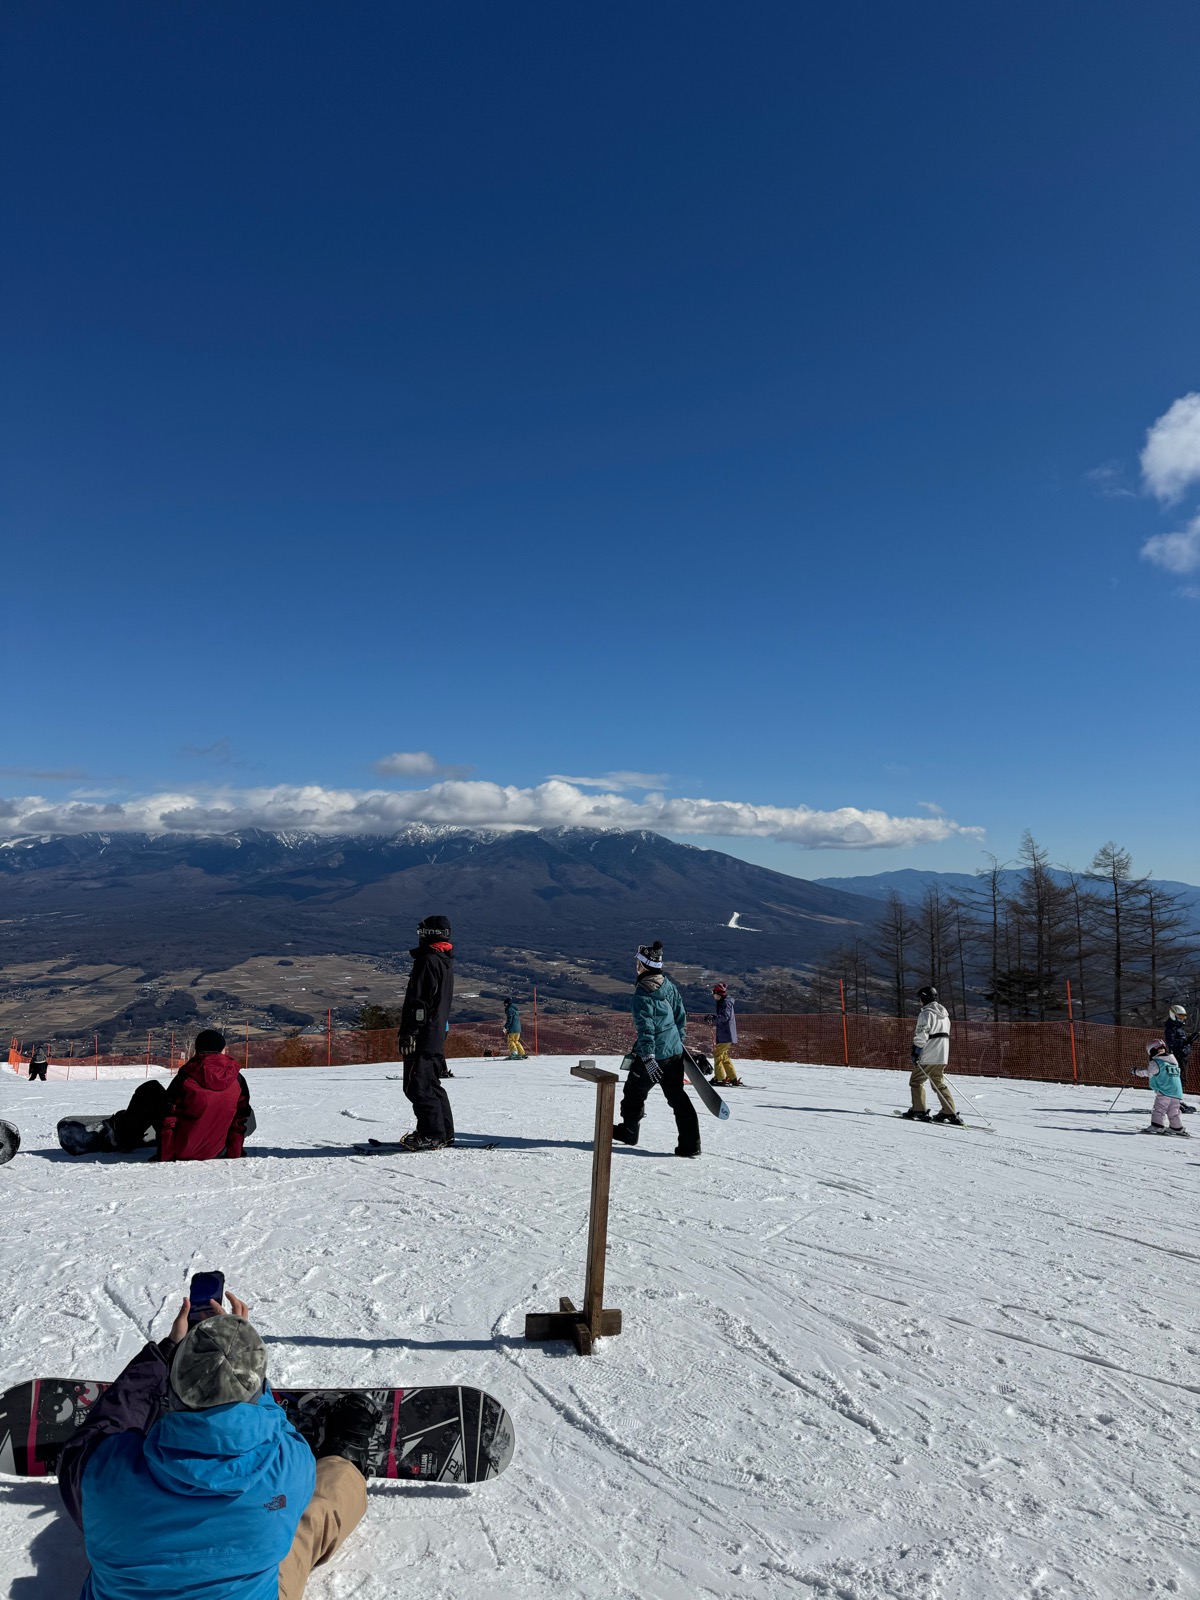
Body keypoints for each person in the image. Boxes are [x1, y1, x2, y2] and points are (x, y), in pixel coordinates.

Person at [57, 1284, 378, 1600]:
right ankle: (346, 1459)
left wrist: (166, 1354)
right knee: (313, 1515)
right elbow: (279, 1429)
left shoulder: (102, 1473)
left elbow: (102, 1428)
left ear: (171, 1389)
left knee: (114, 1528)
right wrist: (239, 1359)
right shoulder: (289, 1465)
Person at [612, 941, 701, 1158]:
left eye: (638, 962)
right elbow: (680, 1016)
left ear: (643, 965)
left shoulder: (642, 994)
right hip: (673, 1052)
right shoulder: (668, 986)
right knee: (677, 1096)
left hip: (654, 1055)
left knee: (634, 1092)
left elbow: (646, 1028)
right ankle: (691, 1144)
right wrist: (677, 1042)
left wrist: (649, 1056)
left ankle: (629, 1132)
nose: (636, 965)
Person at [110, 1028, 253, 1159]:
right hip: (217, 1150)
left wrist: (165, 1156)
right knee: (238, 1107)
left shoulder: (186, 1077)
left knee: (150, 1089)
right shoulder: (237, 1079)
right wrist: (234, 1152)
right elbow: (239, 1120)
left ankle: (124, 1139)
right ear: (222, 1050)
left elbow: (169, 1116)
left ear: (197, 1050)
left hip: (182, 1150)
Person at [396, 913, 456, 1150]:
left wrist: (410, 1031)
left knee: (417, 1085)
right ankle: (444, 1132)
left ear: (429, 934)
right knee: (431, 1083)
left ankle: (432, 1133)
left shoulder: (428, 961)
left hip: (423, 1034)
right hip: (435, 1033)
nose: (419, 936)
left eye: (421, 932)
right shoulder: (444, 960)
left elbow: (420, 1003)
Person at [902, 984, 962, 1124]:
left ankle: (918, 1109)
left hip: (929, 1054)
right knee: (938, 1083)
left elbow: (922, 1034)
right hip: (942, 1054)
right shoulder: (945, 1015)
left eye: (920, 999)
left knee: (916, 1081)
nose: (919, 1002)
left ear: (924, 998)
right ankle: (949, 1111)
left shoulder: (926, 1014)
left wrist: (916, 1050)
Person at [1133, 1039, 1189, 1136]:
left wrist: (1136, 1071)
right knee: (1173, 1110)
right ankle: (1176, 1127)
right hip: (1177, 1092)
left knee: (1160, 1108)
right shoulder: (1173, 1062)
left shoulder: (1156, 1062)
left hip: (1164, 1090)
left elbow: (1149, 1073)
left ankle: (1157, 1126)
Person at [706, 984, 742, 1086]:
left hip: (726, 1034)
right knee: (724, 1056)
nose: (713, 995)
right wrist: (713, 1017)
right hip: (726, 1034)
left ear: (718, 994)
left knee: (717, 1055)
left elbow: (725, 1017)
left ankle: (720, 1079)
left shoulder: (725, 1003)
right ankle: (733, 1078)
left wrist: (714, 1017)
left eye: (714, 993)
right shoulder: (724, 1002)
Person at [1164, 1003, 1197, 1113]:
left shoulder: (1179, 1028)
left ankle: (1177, 1101)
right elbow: (1171, 1043)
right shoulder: (1171, 1028)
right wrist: (1186, 1041)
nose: (1182, 1019)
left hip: (1182, 1055)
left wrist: (1190, 1040)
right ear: (1173, 1015)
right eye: (1180, 1016)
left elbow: (1182, 1041)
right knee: (1177, 1080)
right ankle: (1174, 1103)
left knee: (1182, 1080)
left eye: (1184, 1017)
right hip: (1177, 1056)